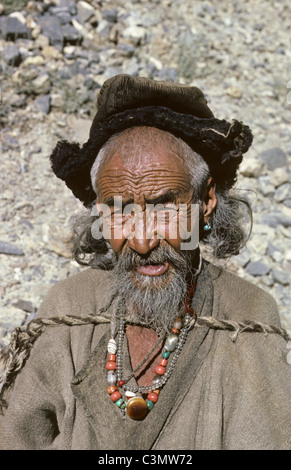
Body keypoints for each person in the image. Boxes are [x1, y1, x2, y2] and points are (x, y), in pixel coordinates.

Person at [0, 74, 290, 450]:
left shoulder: (247, 317)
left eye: (164, 207)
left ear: (207, 201)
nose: (140, 240)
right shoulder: (70, 308)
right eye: (119, 212)